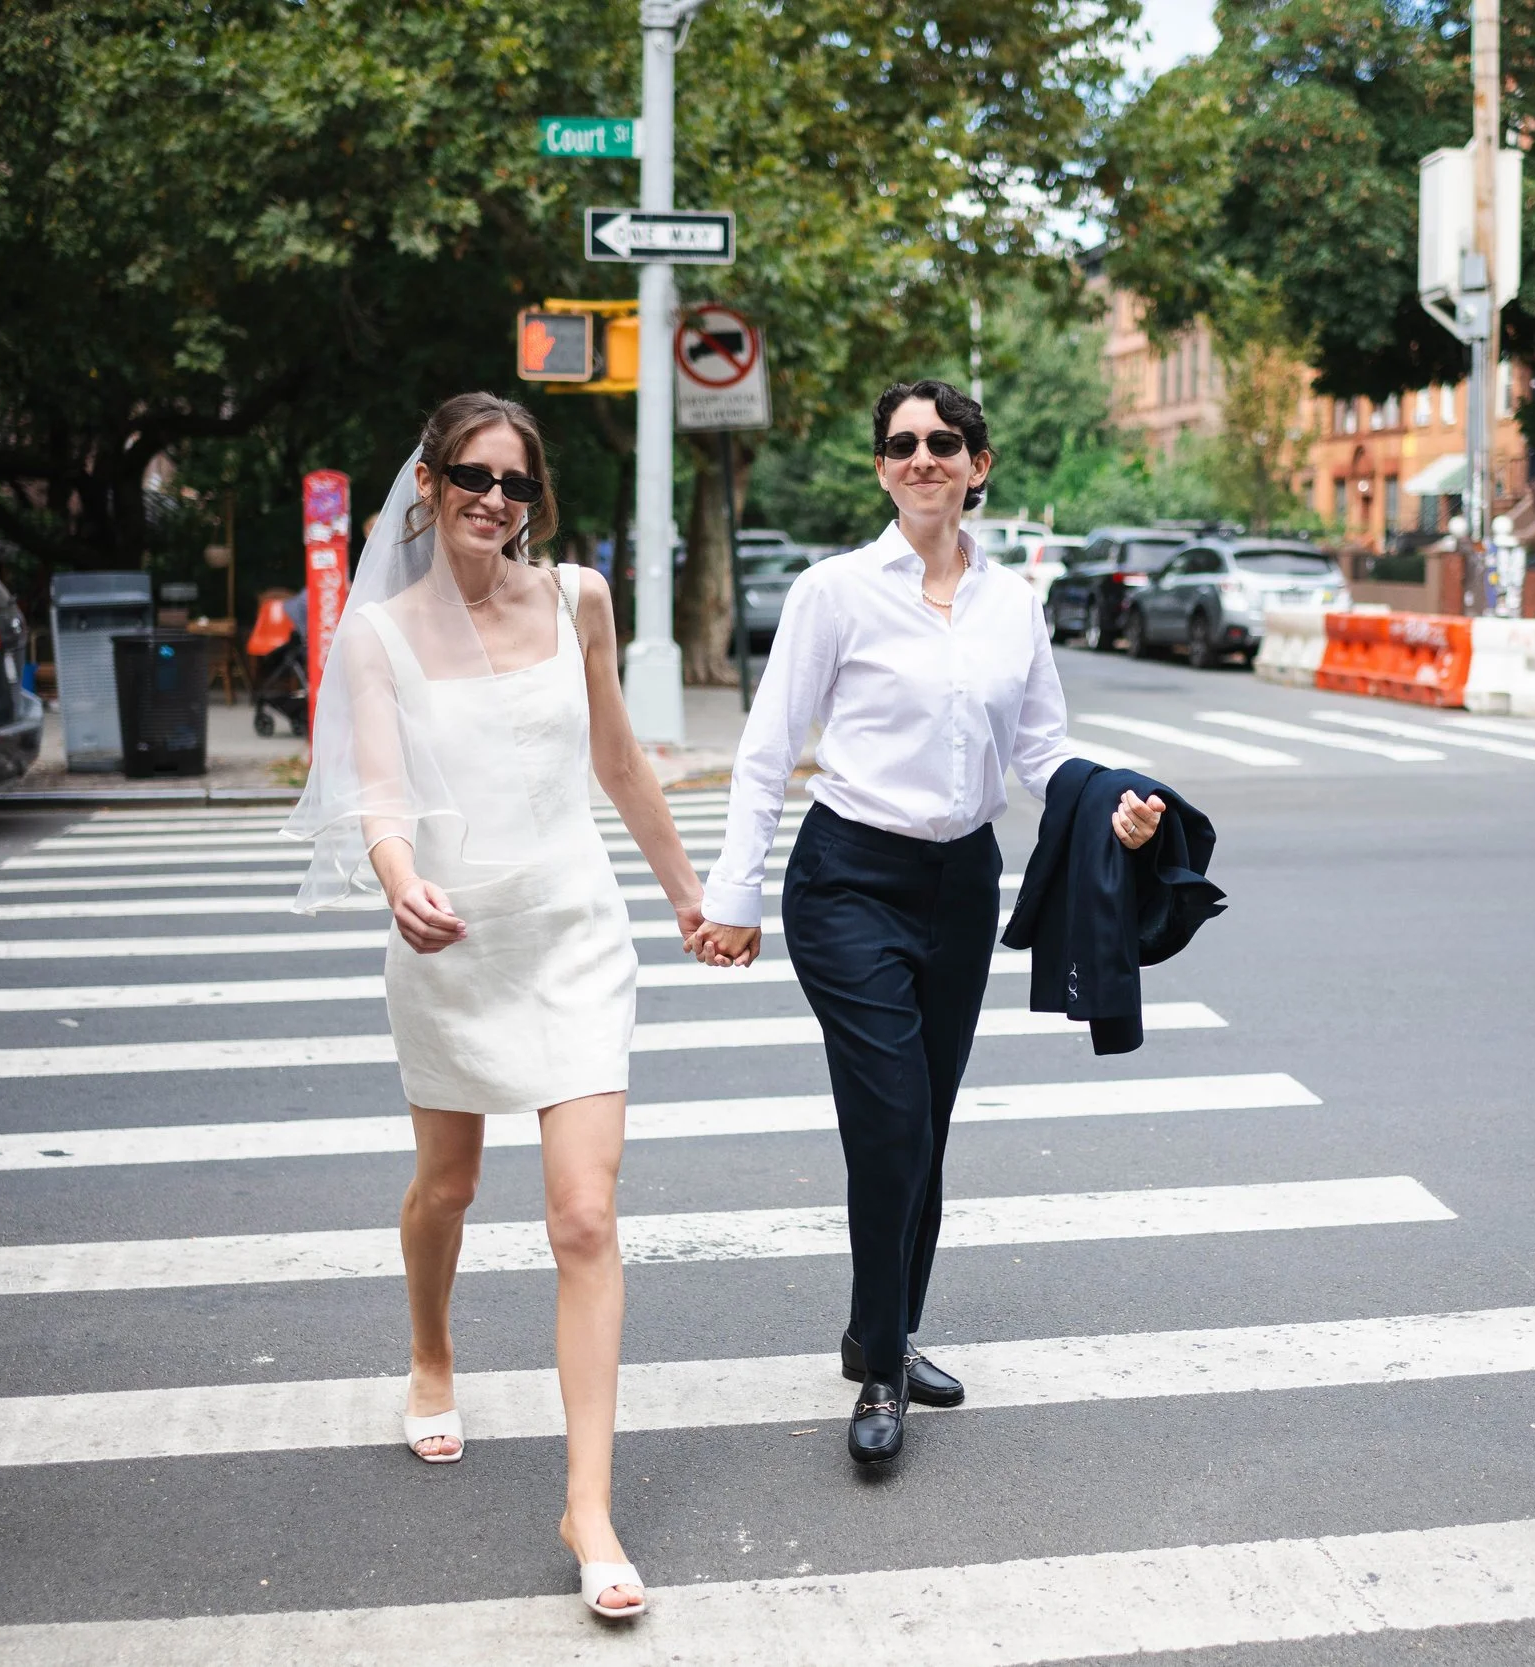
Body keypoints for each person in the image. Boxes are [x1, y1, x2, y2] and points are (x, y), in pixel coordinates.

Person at [689, 379, 1168, 1466]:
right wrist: (734, 893)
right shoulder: (835, 591)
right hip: (848, 880)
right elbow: (768, 749)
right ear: (881, 468)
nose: (921, 458)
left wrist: (1120, 799)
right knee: (893, 1121)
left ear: (977, 462)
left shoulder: (1012, 603)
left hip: (962, 885)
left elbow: (1043, 751)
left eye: (941, 442)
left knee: (929, 1126)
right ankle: (879, 1368)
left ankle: (885, 1329)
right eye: (901, 445)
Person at [285, 392, 706, 1618]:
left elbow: (618, 758)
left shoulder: (580, 598)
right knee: (450, 1187)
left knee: (583, 1214)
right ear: (427, 482)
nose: (494, 500)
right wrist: (400, 878)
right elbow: (379, 791)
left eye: (516, 483)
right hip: (453, 936)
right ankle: (430, 1348)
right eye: (472, 475)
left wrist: (688, 898)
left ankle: (588, 1502)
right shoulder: (379, 632)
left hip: (573, 927)